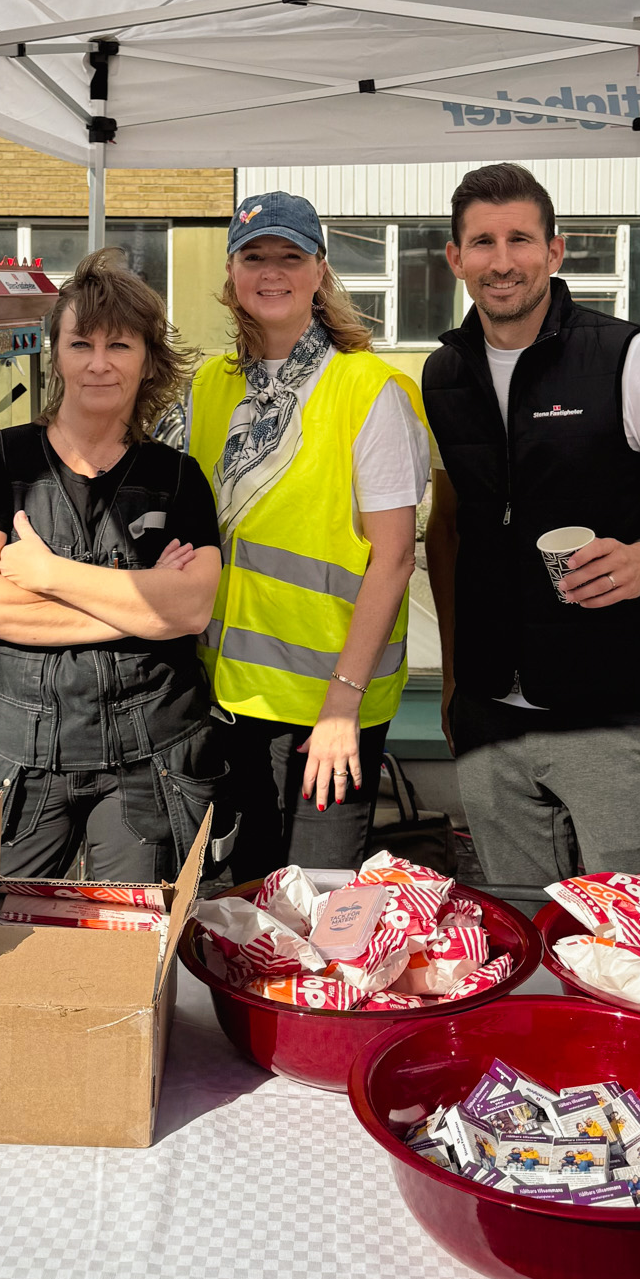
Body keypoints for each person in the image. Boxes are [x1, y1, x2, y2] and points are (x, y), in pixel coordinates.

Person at [422, 163, 640, 888]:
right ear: (456, 258)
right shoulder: (443, 374)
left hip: (610, 714)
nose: (501, 261)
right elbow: (449, 533)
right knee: (522, 933)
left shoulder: (629, 355)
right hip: (488, 719)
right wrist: (453, 684)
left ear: (555, 251)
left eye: (520, 240)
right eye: (481, 242)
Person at [0, 247, 225, 900]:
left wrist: (44, 572)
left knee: (135, 962)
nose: (99, 363)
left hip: (151, 761)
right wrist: (137, 611)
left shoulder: (177, 480)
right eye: (81, 343)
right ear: (55, 354)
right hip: (15, 758)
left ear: (147, 358)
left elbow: (189, 612)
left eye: (119, 345)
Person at [162, 191, 431, 879]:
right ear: (231, 273)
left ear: (320, 271)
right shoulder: (206, 391)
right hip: (226, 702)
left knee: (315, 909)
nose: (272, 272)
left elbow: (394, 560)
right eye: (255, 256)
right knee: (236, 904)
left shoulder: (370, 388)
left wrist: (341, 704)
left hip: (330, 709)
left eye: (290, 256)